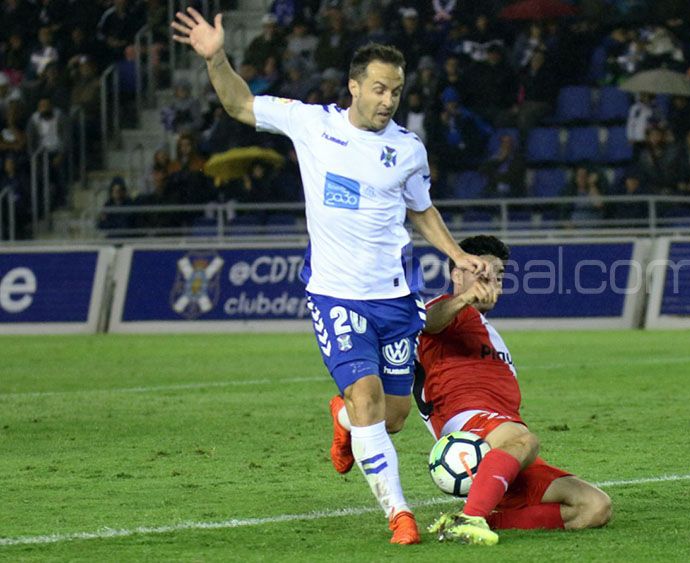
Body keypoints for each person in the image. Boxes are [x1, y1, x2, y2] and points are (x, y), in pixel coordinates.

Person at [171, 8, 489, 545]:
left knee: (390, 417)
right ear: (355, 87)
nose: (389, 100)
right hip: (335, 295)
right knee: (367, 397)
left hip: (395, 298)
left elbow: (422, 211)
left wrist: (456, 254)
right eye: (380, 89)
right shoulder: (311, 123)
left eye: (397, 91)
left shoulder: (408, 149)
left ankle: (343, 422)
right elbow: (239, 103)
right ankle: (399, 515)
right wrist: (217, 57)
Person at [416, 235, 612, 545]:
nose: (492, 281)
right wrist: (464, 299)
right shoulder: (450, 312)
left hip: (500, 439)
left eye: (498, 275)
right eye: (481, 271)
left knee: (594, 507)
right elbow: (426, 321)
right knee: (524, 439)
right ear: (457, 274)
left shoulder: (482, 326)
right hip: (470, 422)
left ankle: (470, 518)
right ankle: (472, 517)